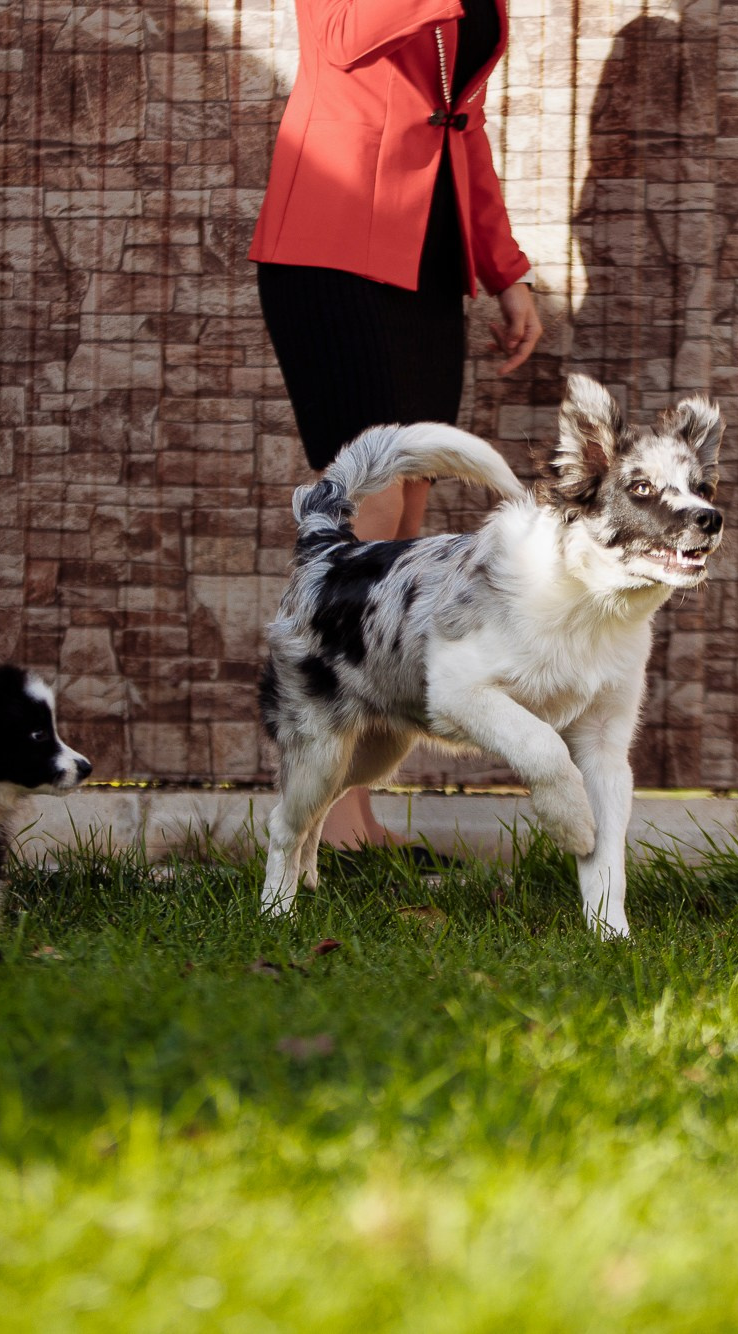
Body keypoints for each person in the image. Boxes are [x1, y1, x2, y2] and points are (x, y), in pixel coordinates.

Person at [249, 0, 541, 852]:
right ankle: (326, 815)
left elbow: (461, 121)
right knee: (368, 516)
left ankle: (356, 807)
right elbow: (341, 38)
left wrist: (502, 267)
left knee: (405, 521)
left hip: (424, 254)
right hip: (332, 244)